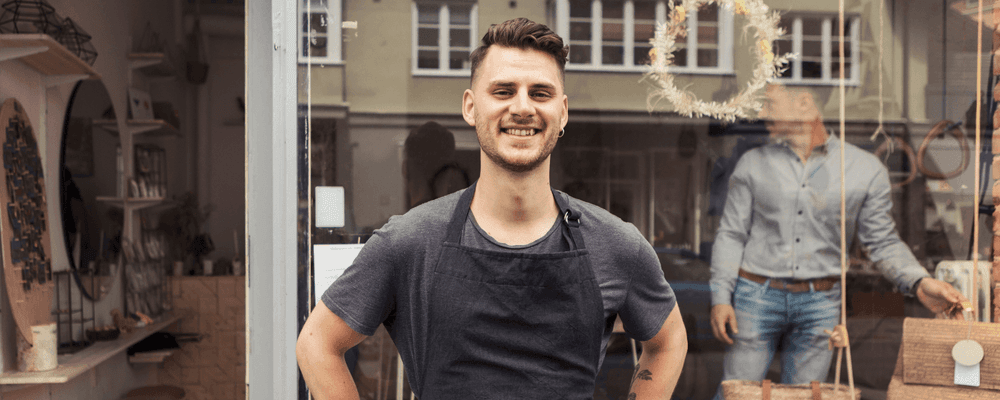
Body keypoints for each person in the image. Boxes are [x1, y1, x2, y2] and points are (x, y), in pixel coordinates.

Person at [297, 18, 687, 399]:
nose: (523, 107)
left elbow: (669, 340)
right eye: (503, 91)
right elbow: (317, 344)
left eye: (540, 93)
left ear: (563, 112)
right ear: (470, 107)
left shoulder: (616, 244)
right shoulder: (411, 242)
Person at [709, 83, 970, 392]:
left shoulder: (864, 169)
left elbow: (882, 241)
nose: (762, 112)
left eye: (770, 103)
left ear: (804, 103)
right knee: (737, 393)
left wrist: (920, 282)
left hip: (820, 303)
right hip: (755, 296)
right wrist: (721, 297)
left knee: (808, 397)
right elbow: (732, 234)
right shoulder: (753, 163)